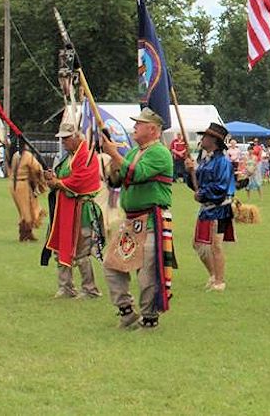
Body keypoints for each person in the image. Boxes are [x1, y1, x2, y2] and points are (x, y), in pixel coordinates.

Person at [101, 108, 176, 329]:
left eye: (138, 124)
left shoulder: (160, 153)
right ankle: (126, 312)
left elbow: (137, 174)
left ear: (152, 129)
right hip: (132, 223)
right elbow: (117, 180)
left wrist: (115, 154)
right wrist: (112, 160)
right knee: (112, 265)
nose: (134, 127)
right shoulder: (134, 152)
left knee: (147, 275)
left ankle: (149, 320)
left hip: (152, 221)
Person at [43, 123, 102, 299]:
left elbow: (79, 182)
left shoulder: (87, 156)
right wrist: (52, 178)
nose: (63, 142)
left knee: (82, 251)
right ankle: (65, 286)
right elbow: (62, 178)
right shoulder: (68, 157)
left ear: (77, 137)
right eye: (61, 139)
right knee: (60, 247)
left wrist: (58, 183)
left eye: (66, 138)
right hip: (64, 207)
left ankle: (89, 289)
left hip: (82, 208)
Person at [183, 122, 236, 292]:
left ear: (213, 140)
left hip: (220, 208)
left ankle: (219, 281)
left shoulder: (223, 162)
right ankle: (213, 275)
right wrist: (189, 171)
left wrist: (203, 194)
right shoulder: (206, 160)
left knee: (216, 245)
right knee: (198, 244)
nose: (202, 139)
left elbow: (220, 187)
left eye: (205, 136)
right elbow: (195, 183)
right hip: (206, 208)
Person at [8, 138, 45, 242]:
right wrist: (40, 179)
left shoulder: (15, 155)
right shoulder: (27, 155)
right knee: (28, 210)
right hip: (22, 185)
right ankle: (26, 234)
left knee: (23, 210)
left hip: (14, 185)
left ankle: (27, 233)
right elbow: (37, 168)